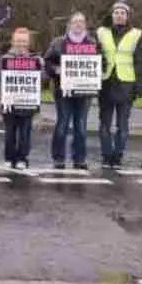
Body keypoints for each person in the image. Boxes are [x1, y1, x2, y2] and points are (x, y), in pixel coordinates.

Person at [43, 12, 101, 170]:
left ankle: (80, 159)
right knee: (62, 123)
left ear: (85, 25)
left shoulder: (93, 43)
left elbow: (102, 62)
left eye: (81, 22)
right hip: (63, 91)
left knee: (81, 125)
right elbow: (47, 61)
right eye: (75, 22)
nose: (78, 25)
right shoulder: (58, 43)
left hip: (84, 91)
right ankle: (58, 158)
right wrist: (56, 69)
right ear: (69, 24)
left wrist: (97, 73)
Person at [96, 0, 142, 168]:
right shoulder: (101, 32)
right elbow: (94, 56)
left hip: (127, 83)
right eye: (116, 12)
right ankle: (106, 155)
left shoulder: (137, 34)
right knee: (104, 123)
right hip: (105, 82)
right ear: (111, 15)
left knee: (122, 124)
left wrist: (140, 87)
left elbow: (141, 62)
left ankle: (117, 155)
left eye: (122, 13)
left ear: (127, 16)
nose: (119, 15)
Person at [0, 28, 44, 169]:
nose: (21, 44)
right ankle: (9, 158)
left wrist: (42, 68)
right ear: (13, 41)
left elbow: (42, 80)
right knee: (10, 133)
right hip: (9, 102)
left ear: (28, 42)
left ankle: (22, 158)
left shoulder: (35, 59)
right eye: (18, 40)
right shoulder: (5, 59)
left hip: (27, 103)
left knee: (25, 133)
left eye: (24, 41)